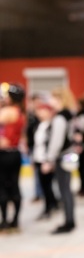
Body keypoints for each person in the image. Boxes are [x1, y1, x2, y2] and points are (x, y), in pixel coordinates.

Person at [41, 87, 76, 234]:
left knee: (64, 189)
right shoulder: (69, 115)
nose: (50, 101)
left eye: (53, 98)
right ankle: (70, 220)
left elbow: (56, 141)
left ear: (60, 99)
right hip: (69, 154)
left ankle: (68, 222)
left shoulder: (60, 117)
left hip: (63, 155)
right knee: (67, 188)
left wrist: (49, 159)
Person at [0, 83, 26, 233]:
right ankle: (15, 221)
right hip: (15, 153)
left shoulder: (8, 111)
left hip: (4, 154)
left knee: (3, 187)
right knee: (15, 186)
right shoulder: (20, 112)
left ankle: (4, 221)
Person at [32, 103, 58, 220]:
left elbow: (52, 145)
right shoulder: (38, 125)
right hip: (38, 158)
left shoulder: (52, 126)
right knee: (43, 185)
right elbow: (36, 144)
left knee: (47, 185)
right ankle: (52, 204)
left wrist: (49, 160)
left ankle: (49, 207)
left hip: (46, 160)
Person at [25, 93, 44, 203]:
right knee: (36, 171)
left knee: (41, 172)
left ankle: (41, 193)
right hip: (33, 146)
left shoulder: (42, 116)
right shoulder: (30, 116)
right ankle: (38, 193)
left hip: (40, 147)